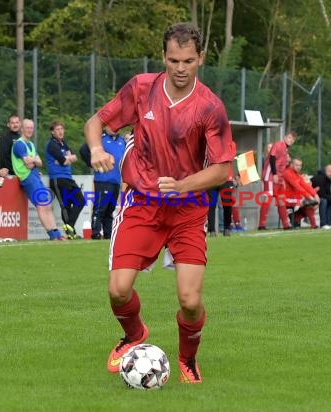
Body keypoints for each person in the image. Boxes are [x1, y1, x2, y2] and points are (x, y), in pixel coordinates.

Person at [84, 22, 234, 384]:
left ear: (201, 58)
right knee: (118, 290)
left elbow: (222, 170)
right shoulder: (141, 88)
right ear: (163, 57)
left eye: (187, 60)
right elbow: (97, 121)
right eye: (172, 60)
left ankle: (188, 359)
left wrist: (182, 186)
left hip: (188, 209)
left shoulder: (210, 107)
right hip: (142, 204)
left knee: (190, 300)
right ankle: (134, 334)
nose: (180, 68)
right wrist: (96, 148)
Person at [12, 118, 66, 240]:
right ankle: (52, 234)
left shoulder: (30, 144)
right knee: (42, 205)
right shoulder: (19, 144)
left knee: (47, 205)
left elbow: (39, 163)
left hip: (35, 175)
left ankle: (57, 233)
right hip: (27, 177)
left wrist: (34, 162)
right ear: (22, 129)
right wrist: (34, 161)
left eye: (31, 128)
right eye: (27, 127)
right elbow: (27, 163)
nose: (29, 130)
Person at [81, 129, 126, 240]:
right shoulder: (100, 139)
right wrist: (94, 164)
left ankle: (108, 234)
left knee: (110, 210)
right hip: (103, 179)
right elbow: (83, 150)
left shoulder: (122, 141)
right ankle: (95, 233)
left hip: (116, 180)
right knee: (100, 208)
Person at [45, 120, 85, 239]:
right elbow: (63, 161)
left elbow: (74, 157)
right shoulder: (52, 144)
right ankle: (70, 232)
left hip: (68, 178)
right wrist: (66, 158)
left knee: (80, 200)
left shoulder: (64, 144)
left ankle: (69, 226)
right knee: (66, 206)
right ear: (52, 132)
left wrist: (67, 158)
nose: (60, 131)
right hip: (58, 179)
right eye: (57, 129)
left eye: (61, 129)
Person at [258, 131, 297, 230]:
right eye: (289, 137)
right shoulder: (279, 144)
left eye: (292, 139)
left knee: (281, 201)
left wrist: (281, 178)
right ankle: (261, 225)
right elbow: (272, 158)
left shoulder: (285, 150)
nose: (290, 140)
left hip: (278, 178)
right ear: (284, 137)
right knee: (268, 199)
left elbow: (281, 165)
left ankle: (286, 225)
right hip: (270, 176)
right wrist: (274, 174)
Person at [207, 140, 237, 237]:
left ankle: (227, 228)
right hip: (212, 177)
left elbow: (229, 157)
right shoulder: (210, 143)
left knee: (227, 204)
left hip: (226, 177)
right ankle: (212, 230)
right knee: (211, 205)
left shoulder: (231, 144)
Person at [283, 157, 319, 229]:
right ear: (292, 165)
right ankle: (302, 220)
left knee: (313, 202)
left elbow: (305, 186)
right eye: (297, 165)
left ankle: (301, 221)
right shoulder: (287, 173)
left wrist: (315, 195)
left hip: (296, 199)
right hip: (288, 199)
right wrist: (309, 197)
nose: (299, 167)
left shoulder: (298, 175)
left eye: (300, 165)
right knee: (310, 202)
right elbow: (297, 187)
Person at [311, 164, 331, 229]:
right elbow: (322, 194)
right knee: (324, 200)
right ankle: (323, 224)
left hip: (317, 197)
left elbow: (328, 193)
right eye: (330, 171)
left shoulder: (328, 179)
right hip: (308, 197)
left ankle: (329, 223)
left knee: (330, 201)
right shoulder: (320, 178)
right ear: (325, 171)